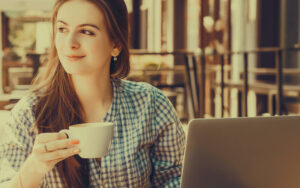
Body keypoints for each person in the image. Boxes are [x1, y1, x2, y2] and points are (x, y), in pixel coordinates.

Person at [0, 0, 186, 187]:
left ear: (116, 45)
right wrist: (35, 166)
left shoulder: (150, 103)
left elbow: (176, 179)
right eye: (62, 29)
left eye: (86, 31)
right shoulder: (30, 113)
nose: (70, 43)